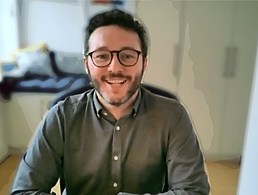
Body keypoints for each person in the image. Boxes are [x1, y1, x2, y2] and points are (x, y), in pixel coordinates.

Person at [11, 9, 210, 195]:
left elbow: (194, 190)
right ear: (87, 64)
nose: (114, 67)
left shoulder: (172, 116)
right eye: (102, 56)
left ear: (144, 63)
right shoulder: (62, 116)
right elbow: (24, 191)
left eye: (127, 56)